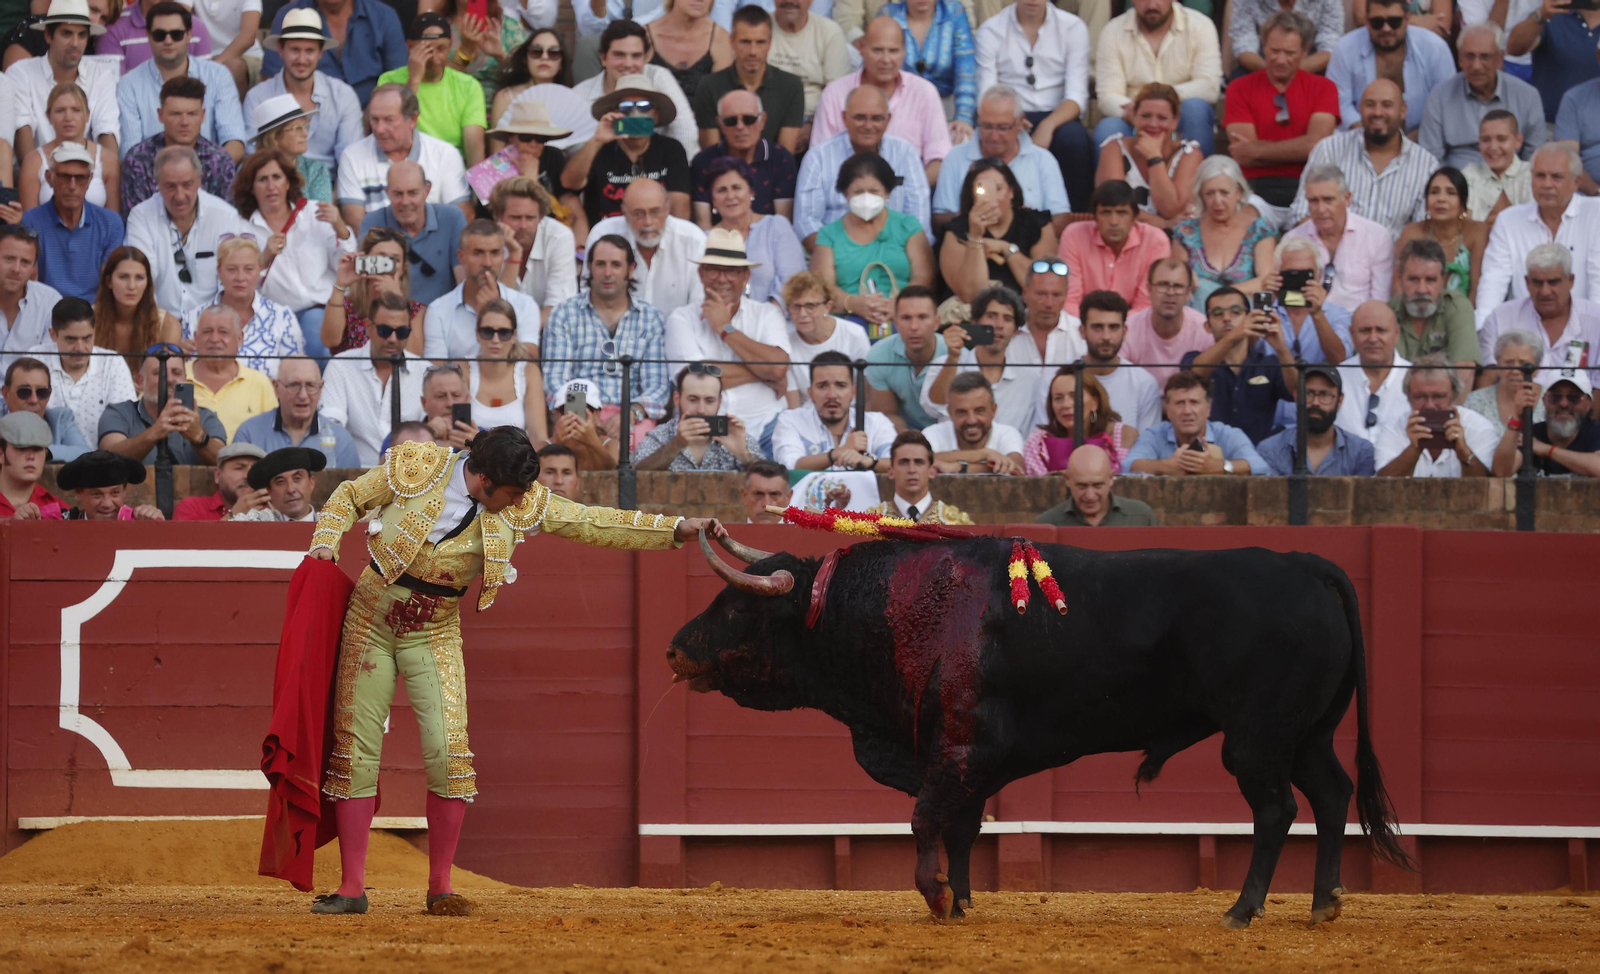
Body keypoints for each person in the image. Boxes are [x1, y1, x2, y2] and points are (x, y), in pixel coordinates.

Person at [301, 428, 723, 916]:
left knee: (448, 750)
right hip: (369, 621)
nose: (523, 502)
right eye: (513, 493)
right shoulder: (418, 465)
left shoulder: (522, 499)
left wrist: (674, 529)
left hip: (433, 630)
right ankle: (352, 887)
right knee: (355, 749)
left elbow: (593, 522)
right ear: (482, 479)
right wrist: (325, 543)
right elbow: (351, 494)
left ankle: (440, 886)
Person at [664, 226, 793, 442]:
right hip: (707, 427)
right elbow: (695, 381)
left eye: (731, 271)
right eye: (714, 269)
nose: (722, 279)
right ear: (701, 274)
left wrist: (725, 329)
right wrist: (763, 372)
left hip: (768, 425)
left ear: (745, 276)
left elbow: (778, 367)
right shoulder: (681, 318)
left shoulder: (767, 313)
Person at [540, 233, 671, 441]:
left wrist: (629, 414)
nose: (608, 273)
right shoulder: (563, 314)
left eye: (616, 265)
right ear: (589, 268)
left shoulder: (651, 318)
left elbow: (658, 386)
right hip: (577, 415)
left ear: (631, 269)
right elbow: (555, 379)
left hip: (633, 419)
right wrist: (585, 416)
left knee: (644, 443)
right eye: (600, 264)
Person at [974, 0, 1092, 212]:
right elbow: (987, 92)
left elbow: (1076, 96)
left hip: (1057, 113)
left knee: (1074, 140)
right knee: (993, 133)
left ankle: (1074, 218)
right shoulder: (991, 30)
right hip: (1009, 112)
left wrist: (1048, 125)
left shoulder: (1073, 27)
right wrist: (1013, 120)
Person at [238, 149, 355, 362]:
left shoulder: (313, 212)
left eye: (277, 177)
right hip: (274, 316)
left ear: (288, 182)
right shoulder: (242, 229)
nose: (271, 186)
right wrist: (264, 258)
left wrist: (341, 228)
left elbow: (345, 266)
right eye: (262, 180)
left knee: (313, 328)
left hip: (322, 308)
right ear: (251, 188)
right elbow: (239, 289)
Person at [1223, 11, 1341, 213]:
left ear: (1305, 52)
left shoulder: (1324, 88)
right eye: (1274, 51)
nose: (1280, 59)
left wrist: (1258, 150)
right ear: (1263, 48)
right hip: (1254, 186)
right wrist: (1298, 147)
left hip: (1309, 185)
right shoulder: (1238, 88)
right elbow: (1243, 153)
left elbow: (1316, 145)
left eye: (1289, 53)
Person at [1287, 80, 1437, 238]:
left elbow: (1423, 230)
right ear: (1360, 108)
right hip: (1331, 254)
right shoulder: (1329, 150)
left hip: (1393, 259)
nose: (1378, 112)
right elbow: (1301, 214)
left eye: (1387, 105)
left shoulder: (1425, 165)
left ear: (1402, 111)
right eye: (1370, 104)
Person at [813, 17, 950, 186]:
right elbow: (820, 161)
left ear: (904, 51)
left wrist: (901, 190)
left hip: (907, 200)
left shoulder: (924, 93)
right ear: (861, 48)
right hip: (843, 199)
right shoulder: (834, 94)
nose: (886, 60)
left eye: (893, 51)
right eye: (877, 50)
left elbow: (939, 161)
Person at [810, 151, 934, 334]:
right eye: (858, 191)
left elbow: (924, 278)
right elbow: (823, 289)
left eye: (874, 191)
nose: (866, 198)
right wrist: (853, 304)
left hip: (905, 321)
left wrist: (899, 305)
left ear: (887, 193)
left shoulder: (908, 226)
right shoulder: (829, 235)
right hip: (848, 324)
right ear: (845, 194)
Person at [1476, 141, 1600, 323]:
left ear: (1576, 182)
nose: (1547, 184)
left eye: (1556, 177)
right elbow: (1493, 281)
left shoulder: (1596, 215)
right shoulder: (1508, 220)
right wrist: (1485, 331)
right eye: (1540, 176)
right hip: (1522, 334)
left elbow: (1598, 282)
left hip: (1584, 329)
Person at [792, 84, 931, 247]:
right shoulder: (818, 157)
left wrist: (892, 255)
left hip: (895, 255)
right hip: (835, 257)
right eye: (860, 117)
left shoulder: (905, 153)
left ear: (888, 119)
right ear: (844, 118)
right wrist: (846, 256)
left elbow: (918, 221)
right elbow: (806, 223)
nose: (868, 126)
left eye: (876, 118)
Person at [561, 71, 693, 237]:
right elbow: (569, 183)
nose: (635, 113)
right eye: (626, 108)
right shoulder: (599, 150)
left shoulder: (671, 149)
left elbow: (679, 210)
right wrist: (596, 140)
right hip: (609, 241)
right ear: (615, 114)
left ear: (656, 116)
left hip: (655, 237)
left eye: (644, 107)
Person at [124, 145, 251, 317]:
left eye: (187, 184)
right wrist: (165, 329)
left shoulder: (225, 216)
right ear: (157, 184)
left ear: (200, 180)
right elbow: (142, 278)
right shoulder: (141, 216)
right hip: (158, 321)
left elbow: (230, 284)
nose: (180, 195)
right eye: (170, 186)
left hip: (212, 322)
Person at [247, 9, 363, 192]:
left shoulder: (343, 95)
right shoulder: (257, 96)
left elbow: (349, 161)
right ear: (281, 50)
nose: (302, 59)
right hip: (275, 191)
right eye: (295, 50)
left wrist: (331, 202)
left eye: (309, 51)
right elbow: (253, 157)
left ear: (320, 53)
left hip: (334, 190)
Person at [931, 84, 1070, 234]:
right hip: (970, 246)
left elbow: (1061, 219)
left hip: (1028, 250)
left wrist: (1014, 236)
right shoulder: (955, 157)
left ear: (1020, 122)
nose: (994, 136)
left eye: (1003, 127)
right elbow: (939, 219)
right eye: (986, 126)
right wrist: (978, 221)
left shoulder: (1043, 160)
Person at [115, 2, 246, 161]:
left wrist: (206, 176)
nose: (168, 41)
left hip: (211, 178)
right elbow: (131, 154)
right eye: (159, 35)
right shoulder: (129, 85)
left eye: (176, 34)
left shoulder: (218, 76)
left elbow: (234, 142)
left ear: (189, 35)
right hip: (151, 181)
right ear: (148, 36)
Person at [1094, 0, 1220, 159]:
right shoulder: (1112, 31)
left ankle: (1195, 180)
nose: (1152, 5)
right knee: (1108, 129)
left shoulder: (1201, 25)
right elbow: (1107, 95)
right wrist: (1139, 111)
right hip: (1132, 115)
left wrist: (1162, 101)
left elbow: (1209, 86)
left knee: (1195, 109)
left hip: (1180, 111)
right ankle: (1114, 184)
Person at [335, 83, 471, 229]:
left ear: (412, 119)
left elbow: (461, 218)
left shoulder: (444, 154)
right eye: (375, 120)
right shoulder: (352, 156)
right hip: (378, 248)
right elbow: (357, 224)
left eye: (389, 120)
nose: (379, 129)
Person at [563, 19, 698, 158]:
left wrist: (684, 173)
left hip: (657, 173)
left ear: (645, 58)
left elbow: (685, 130)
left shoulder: (658, 77)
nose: (628, 64)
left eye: (636, 55)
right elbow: (572, 150)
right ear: (603, 58)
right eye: (619, 55)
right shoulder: (579, 96)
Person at [1179, 285, 1298, 443]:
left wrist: (1282, 348)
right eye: (1217, 313)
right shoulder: (1195, 358)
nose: (1227, 318)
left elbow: (1297, 392)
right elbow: (1193, 376)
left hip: (1258, 457)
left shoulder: (1269, 364)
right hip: (1208, 455)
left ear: (1249, 318)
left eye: (1236, 312)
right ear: (1207, 326)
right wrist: (1234, 335)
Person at [1421, 23, 1546, 172]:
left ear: (1500, 58)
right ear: (1459, 58)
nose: (1476, 66)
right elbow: (1431, 160)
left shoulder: (1527, 96)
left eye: (1485, 57)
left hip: (1511, 185)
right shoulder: (1439, 97)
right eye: (1469, 56)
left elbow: (1534, 157)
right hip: (1457, 186)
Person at [321, 292, 427, 464]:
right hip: (355, 479)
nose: (393, 339)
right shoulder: (341, 366)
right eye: (385, 330)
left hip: (411, 480)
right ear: (368, 326)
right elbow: (331, 428)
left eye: (402, 332)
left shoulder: (424, 370)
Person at [8, 0, 119, 162]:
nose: (75, 43)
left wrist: (105, 178)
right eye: (67, 33)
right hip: (35, 177)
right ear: (48, 35)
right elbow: (21, 133)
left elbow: (107, 131)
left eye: (82, 35)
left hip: (88, 178)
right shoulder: (20, 73)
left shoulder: (101, 75)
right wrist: (41, 179)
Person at [1477, 242, 1600, 386]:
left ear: (1571, 281)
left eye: (1553, 282)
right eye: (1537, 282)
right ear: (1527, 282)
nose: (1545, 291)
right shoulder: (1500, 319)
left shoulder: (1596, 320)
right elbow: (1488, 383)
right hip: (1515, 406)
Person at [939, 158, 1057, 305]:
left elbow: (1043, 287)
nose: (992, 198)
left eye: (998, 188)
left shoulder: (1036, 224)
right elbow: (971, 295)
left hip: (1025, 313)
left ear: (1011, 191)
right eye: (982, 189)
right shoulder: (956, 231)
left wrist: (1006, 249)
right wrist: (975, 238)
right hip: (973, 317)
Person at [1325, 0, 1454, 135]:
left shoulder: (1434, 48)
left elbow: (1445, 106)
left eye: (1394, 22)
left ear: (1408, 18)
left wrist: (1407, 144)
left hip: (1424, 139)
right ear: (1367, 21)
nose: (1386, 28)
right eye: (1377, 23)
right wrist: (1377, 140)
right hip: (1360, 137)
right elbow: (1340, 104)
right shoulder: (1345, 48)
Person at [1168, 155, 1278, 313]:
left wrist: (1218, 296)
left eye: (1224, 193)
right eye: (1210, 193)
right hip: (1199, 315)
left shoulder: (1259, 230)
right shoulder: (1185, 232)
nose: (1217, 201)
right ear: (1201, 195)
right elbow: (1180, 281)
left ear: (1239, 193)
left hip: (1245, 314)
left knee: (1203, 288)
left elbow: (1266, 282)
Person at [182, 236, 303, 378]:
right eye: (232, 269)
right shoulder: (194, 318)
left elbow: (295, 373)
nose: (240, 277)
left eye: (249, 269)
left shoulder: (282, 318)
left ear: (259, 270)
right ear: (219, 271)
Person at [584, 177, 707, 317]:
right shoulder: (602, 235)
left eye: (655, 212)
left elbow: (700, 307)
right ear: (624, 212)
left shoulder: (693, 240)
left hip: (678, 335)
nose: (648, 222)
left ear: (667, 209)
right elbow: (588, 300)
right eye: (638, 214)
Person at [375, 12, 486, 165]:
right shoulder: (389, 80)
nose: (435, 59)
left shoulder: (469, 86)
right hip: (406, 165)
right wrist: (414, 80)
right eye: (426, 49)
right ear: (410, 47)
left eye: (441, 49)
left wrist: (477, 185)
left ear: (451, 47)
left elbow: (474, 145)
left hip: (451, 168)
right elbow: (392, 130)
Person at [422, 221, 541, 361]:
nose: (488, 263)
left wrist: (495, 313)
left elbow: (529, 364)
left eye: (495, 253)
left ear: (503, 256)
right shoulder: (439, 310)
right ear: (461, 257)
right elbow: (435, 372)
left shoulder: (525, 305)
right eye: (478, 253)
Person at [25, 295, 136, 445]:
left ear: (95, 332)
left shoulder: (113, 363)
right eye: (71, 339)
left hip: (103, 464)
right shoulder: (35, 359)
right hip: (45, 463)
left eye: (87, 338)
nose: (80, 348)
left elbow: (126, 423)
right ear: (53, 335)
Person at [20, 142, 122, 303]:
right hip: (46, 313)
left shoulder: (110, 223)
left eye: (80, 178)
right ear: (49, 178)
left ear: (89, 180)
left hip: (95, 315)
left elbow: (110, 284)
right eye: (64, 177)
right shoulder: (30, 221)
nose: (72, 186)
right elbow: (30, 284)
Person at [689, 6, 803, 151]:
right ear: (732, 41)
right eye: (745, 42)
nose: (753, 52)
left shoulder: (791, 86)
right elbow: (711, 155)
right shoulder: (709, 86)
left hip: (772, 171)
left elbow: (785, 157)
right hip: (722, 171)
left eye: (760, 42)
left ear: (770, 43)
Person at [118, 75, 236, 214]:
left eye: (192, 114)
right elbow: (134, 217)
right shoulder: (137, 160)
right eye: (175, 114)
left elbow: (227, 217)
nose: (184, 122)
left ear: (203, 116)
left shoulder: (220, 161)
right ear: (160, 115)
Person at [923, 286, 1037, 430]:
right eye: (991, 316)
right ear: (975, 322)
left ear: (1015, 331)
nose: (999, 325)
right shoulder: (944, 364)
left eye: (1007, 319)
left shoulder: (1030, 378)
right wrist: (953, 358)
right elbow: (934, 406)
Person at [355, 160, 465, 309]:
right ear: (387, 193)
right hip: (392, 318)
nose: (405, 202)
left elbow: (464, 281)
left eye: (413, 193)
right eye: (398, 194)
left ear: (427, 190)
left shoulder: (452, 218)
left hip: (444, 317)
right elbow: (367, 288)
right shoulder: (373, 223)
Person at [1092, 83, 1202, 230]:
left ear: (1175, 121)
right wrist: (1162, 223)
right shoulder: (1114, 149)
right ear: (1134, 117)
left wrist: (1154, 158)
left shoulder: (1190, 154)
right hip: (1124, 233)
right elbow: (1114, 205)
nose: (1153, 124)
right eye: (1145, 116)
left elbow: (1171, 210)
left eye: (1162, 117)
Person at [1284, 164, 1395, 307]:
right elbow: (1289, 302)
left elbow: (1380, 301)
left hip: (1358, 325)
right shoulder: (1292, 240)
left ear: (1347, 198)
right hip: (1309, 322)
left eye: (1328, 200)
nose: (1321, 209)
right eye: (1313, 201)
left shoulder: (1377, 237)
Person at [1060, 180, 1173, 317]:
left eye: (1122, 213)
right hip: (1083, 325)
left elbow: (1147, 305)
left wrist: (1116, 329)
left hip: (1136, 326)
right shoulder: (1074, 235)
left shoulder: (1156, 241)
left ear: (1134, 217)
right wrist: (1093, 328)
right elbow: (1069, 301)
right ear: (1094, 217)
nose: (1114, 222)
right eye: (1106, 213)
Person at [261, 0, 408, 105]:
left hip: (376, 120)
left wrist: (371, 118)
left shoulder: (384, 16)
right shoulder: (290, 17)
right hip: (307, 120)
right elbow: (272, 83)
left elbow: (398, 80)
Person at [701, 156, 804, 305]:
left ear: (751, 192)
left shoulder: (776, 227)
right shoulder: (705, 240)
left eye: (737, 188)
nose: (730, 196)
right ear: (712, 200)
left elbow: (793, 282)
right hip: (722, 322)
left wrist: (765, 321)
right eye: (721, 190)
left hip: (778, 321)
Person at [98, 343, 225, 463]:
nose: (169, 379)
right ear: (141, 380)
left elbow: (225, 463)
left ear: (185, 379)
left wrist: (199, 436)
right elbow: (108, 458)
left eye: (176, 373)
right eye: (158, 372)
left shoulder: (205, 417)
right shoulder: (119, 413)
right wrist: (155, 432)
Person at [690, 88, 799, 226]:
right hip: (718, 241)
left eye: (749, 119)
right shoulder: (704, 161)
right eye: (731, 121)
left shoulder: (780, 158)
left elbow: (784, 222)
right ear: (720, 124)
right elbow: (703, 224)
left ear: (762, 121)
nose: (740, 127)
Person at [1375, 352, 1495, 476]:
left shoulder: (1478, 427)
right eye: (1420, 397)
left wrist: (1464, 453)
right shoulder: (1394, 429)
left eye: (1438, 397)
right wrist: (1414, 449)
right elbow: (1383, 485)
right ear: (1409, 397)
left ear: (1453, 395)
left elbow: (1489, 487)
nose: (1429, 405)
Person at [1125, 371, 1267, 475]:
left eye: (1194, 402)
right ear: (1167, 410)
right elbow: (1127, 466)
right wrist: (1166, 466)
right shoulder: (1154, 435)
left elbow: (1261, 467)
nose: (1187, 411)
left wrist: (1220, 466)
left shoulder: (1228, 434)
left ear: (1209, 408)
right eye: (1179, 403)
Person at [773, 349, 895, 470]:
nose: (832, 395)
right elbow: (789, 467)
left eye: (840, 386)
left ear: (853, 392)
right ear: (810, 393)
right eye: (822, 386)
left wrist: (868, 461)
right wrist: (837, 453)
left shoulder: (876, 423)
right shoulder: (791, 420)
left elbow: (896, 465)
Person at [233, 354, 361, 467]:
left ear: (321, 389)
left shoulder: (341, 439)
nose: (303, 395)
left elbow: (353, 493)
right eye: (294, 385)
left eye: (311, 385)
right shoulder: (249, 433)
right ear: (276, 388)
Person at [878, 0, 977, 144]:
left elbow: (966, 70)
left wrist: (963, 117)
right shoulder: (888, 15)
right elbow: (874, 67)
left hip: (946, 109)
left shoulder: (954, 12)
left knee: (963, 140)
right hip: (899, 109)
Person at [1389, 237, 1479, 391]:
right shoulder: (1388, 313)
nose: (1421, 289)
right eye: (1413, 279)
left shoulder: (1457, 306)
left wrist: (1442, 413)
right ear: (1400, 278)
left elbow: (1464, 369)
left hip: (1445, 405)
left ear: (1443, 280)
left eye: (1430, 280)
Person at [322, 227, 427, 355]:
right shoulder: (346, 305)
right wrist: (340, 285)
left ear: (403, 268)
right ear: (365, 261)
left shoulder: (415, 310)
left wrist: (396, 299)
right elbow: (330, 341)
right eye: (380, 258)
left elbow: (413, 355)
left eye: (395, 260)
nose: (386, 266)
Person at [1256, 364, 1377, 475]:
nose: (1315, 403)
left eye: (1325, 394)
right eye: (1308, 393)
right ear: (1296, 396)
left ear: (1339, 400)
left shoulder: (1361, 452)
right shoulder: (1270, 450)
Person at [490, 176, 575, 326]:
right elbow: (494, 307)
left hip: (547, 331)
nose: (523, 225)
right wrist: (514, 253)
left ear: (541, 216)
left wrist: (519, 335)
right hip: (498, 333)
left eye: (530, 218)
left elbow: (558, 309)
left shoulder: (559, 237)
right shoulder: (487, 241)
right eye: (515, 218)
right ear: (498, 217)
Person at [20, 81, 116, 213]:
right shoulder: (33, 161)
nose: (68, 117)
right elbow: (28, 221)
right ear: (49, 117)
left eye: (76, 110)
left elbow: (114, 219)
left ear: (87, 115)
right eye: (60, 111)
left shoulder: (108, 159)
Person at [635, 362, 752, 470]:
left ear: (719, 402)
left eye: (709, 401)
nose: (701, 410)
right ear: (677, 399)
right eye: (693, 400)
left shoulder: (735, 434)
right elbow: (634, 478)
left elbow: (768, 480)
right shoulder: (659, 436)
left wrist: (744, 456)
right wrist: (676, 444)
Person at [1393, 168, 1487, 303]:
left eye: (1451, 193)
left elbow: (1477, 288)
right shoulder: (1412, 232)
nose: (1441, 199)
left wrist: (1467, 320)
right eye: (1434, 192)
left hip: (1463, 314)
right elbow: (1398, 285)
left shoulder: (1477, 232)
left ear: (1463, 202)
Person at [186, 303, 279, 437]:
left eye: (223, 332)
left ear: (239, 339)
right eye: (207, 331)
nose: (214, 339)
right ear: (195, 338)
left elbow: (273, 437)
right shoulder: (176, 377)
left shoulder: (260, 383)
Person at [1022, 366, 1136, 474]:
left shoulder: (1121, 434)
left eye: (1075, 396)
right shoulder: (1038, 442)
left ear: (1095, 402)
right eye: (1058, 398)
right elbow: (1039, 489)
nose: (1066, 405)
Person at [1075, 287, 1161, 430]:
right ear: (1082, 332)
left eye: (1113, 327)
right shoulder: (1057, 379)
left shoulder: (1144, 383)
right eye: (1097, 327)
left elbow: (1148, 445)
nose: (1106, 337)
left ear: (1124, 331)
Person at [1261, 235, 1353, 369]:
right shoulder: (1265, 308)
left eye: (1305, 274)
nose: (1299, 281)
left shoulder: (1337, 314)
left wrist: (1317, 314)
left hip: (1321, 386)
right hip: (1272, 385)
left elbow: (1339, 360)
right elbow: (1250, 350)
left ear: (1319, 275)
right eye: (1292, 274)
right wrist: (1265, 299)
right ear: (1278, 274)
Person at [768, 0, 851, 146]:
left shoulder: (829, 32)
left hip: (814, 124)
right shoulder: (760, 27)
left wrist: (812, 126)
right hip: (764, 122)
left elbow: (837, 94)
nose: (790, 1)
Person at [1493, 364, 1600, 476]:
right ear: (1544, 401)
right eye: (1555, 397)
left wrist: (1548, 450)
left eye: (1574, 398)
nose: (1564, 404)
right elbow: (1502, 472)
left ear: (1588, 404)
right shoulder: (1532, 434)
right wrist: (1517, 417)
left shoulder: (1595, 432)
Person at [865, 285, 948, 430]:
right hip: (903, 437)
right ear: (895, 322)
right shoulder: (878, 355)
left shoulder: (956, 354)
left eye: (922, 317)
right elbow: (886, 418)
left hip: (949, 433)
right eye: (906, 318)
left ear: (936, 322)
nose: (914, 326)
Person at [1121, 258, 1212, 387]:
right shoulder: (1129, 329)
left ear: (1188, 292)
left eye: (1178, 286)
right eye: (1163, 285)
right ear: (1149, 289)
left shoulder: (1204, 329)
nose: (1170, 293)